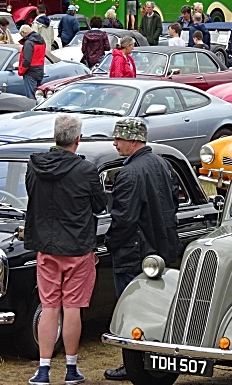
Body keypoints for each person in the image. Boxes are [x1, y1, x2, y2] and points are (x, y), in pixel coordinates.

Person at [24, 114, 107, 385]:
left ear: (55, 137)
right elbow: (99, 205)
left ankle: (44, 368)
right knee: (72, 308)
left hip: (46, 246)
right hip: (77, 247)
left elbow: (32, 195)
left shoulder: (34, 166)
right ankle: (71, 368)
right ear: (78, 140)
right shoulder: (86, 170)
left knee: (49, 307)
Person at [103, 118, 180, 381]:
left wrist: (110, 243)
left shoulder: (129, 173)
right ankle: (155, 360)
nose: (115, 144)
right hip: (163, 250)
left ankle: (133, 363)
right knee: (158, 311)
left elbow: (123, 219)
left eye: (119, 139)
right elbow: (173, 204)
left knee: (131, 311)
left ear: (134, 140)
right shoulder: (164, 165)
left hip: (134, 254)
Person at [18, 24, 46, 99]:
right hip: (40, 70)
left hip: (30, 72)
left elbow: (27, 60)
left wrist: (21, 71)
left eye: (21, 35)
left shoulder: (29, 43)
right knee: (38, 95)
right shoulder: (41, 40)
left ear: (24, 33)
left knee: (31, 97)